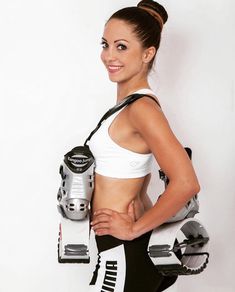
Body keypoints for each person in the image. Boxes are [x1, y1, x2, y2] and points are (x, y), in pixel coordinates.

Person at [88, 1, 200, 291]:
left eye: (121, 46)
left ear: (148, 53)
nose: (108, 55)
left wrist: (134, 228)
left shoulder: (142, 109)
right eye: (105, 44)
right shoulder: (127, 106)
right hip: (121, 248)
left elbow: (186, 182)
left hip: (125, 250)